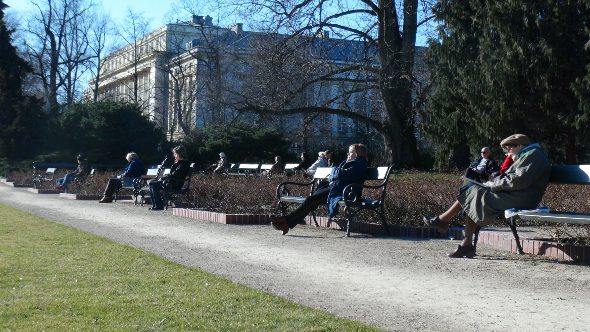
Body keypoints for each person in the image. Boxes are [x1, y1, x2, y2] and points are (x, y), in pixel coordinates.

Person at [423, 134, 550, 258]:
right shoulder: (527, 155)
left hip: (523, 198)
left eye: (509, 148)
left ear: (520, 146)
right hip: (516, 195)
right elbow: (515, 179)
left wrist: (493, 185)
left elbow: (518, 181)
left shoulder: (533, 155)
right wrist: (493, 182)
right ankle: (456, 235)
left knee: (474, 194)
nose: (507, 153)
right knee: (473, 192)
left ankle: (446, 224)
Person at [270, 144, 368, 235]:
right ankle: (286, 223)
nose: (347, 154)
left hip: (345, 193)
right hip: (337, 189)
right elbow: (335, 173)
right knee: (311, 201)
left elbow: (340, 174)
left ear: (357, 154)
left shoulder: (359, 164)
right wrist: (336, 171)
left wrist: (336, 171)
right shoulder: (350, 163)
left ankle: (285, 222)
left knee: (310, 200)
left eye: (350, 152)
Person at [148, 145, 191, 210]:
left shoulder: (184, 163)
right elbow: (173, 174)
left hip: (176, 183)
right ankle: (155, 205)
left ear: (180, 154)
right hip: (171, 181)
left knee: (153, 184)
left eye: (175, 154)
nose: (174, 156)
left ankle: (159, 206)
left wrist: (163, 178)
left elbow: (176, 174)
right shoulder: (179, 162)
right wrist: (164, 177)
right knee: (151, 183)